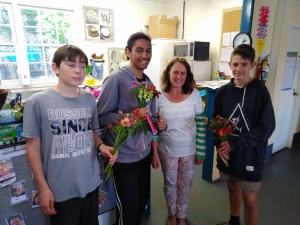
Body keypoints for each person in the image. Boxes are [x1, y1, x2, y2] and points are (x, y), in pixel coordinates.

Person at [23, 45, 118, 225]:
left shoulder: (89, 99)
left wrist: (101, 146)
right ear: (55, 67)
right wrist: (43, 189)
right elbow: (32, 147)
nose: (78, 70)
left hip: (90, 183)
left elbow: (89, 130)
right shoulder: (37, 102)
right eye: (71, 64)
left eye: (83, 66)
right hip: (60, 188)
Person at [97, 32, 167, 225]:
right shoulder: (116, 80)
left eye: (148, 51)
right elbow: (101, 117)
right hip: (124, 157)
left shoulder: (149, 83)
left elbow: (151, 119)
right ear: (128, 52)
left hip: (143, 156)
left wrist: (160, 125)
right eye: (139, 50)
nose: (145, 55)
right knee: (127, 209)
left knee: (140, 203)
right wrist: (131, 117)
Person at [213, 44, 276, 225]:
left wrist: (237, 143)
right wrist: (219, 145)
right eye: (235, 64)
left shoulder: (260, 92)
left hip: (250, 155)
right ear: (229, 64)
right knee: (232, 188)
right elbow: (215, 122)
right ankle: (234, 221)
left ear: (252, 65)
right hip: (227, 155)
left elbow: (267, 127)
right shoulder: (222, 92)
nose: (238, 69)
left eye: (243, 64)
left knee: (249, 201)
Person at [151, 58, 206, 225]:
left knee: (185, 184)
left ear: (187, 75)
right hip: (166, 149)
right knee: (169, 183)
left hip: (189, 150)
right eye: (175, 72)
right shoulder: (158, 96)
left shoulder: (194, 94)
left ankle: (181, 215)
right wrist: (153, 153)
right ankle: (172, 214)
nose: (178, 76)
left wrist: (201, 151)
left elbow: (200, 124)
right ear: (168, 73)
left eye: (183, 73)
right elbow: (153, 128)